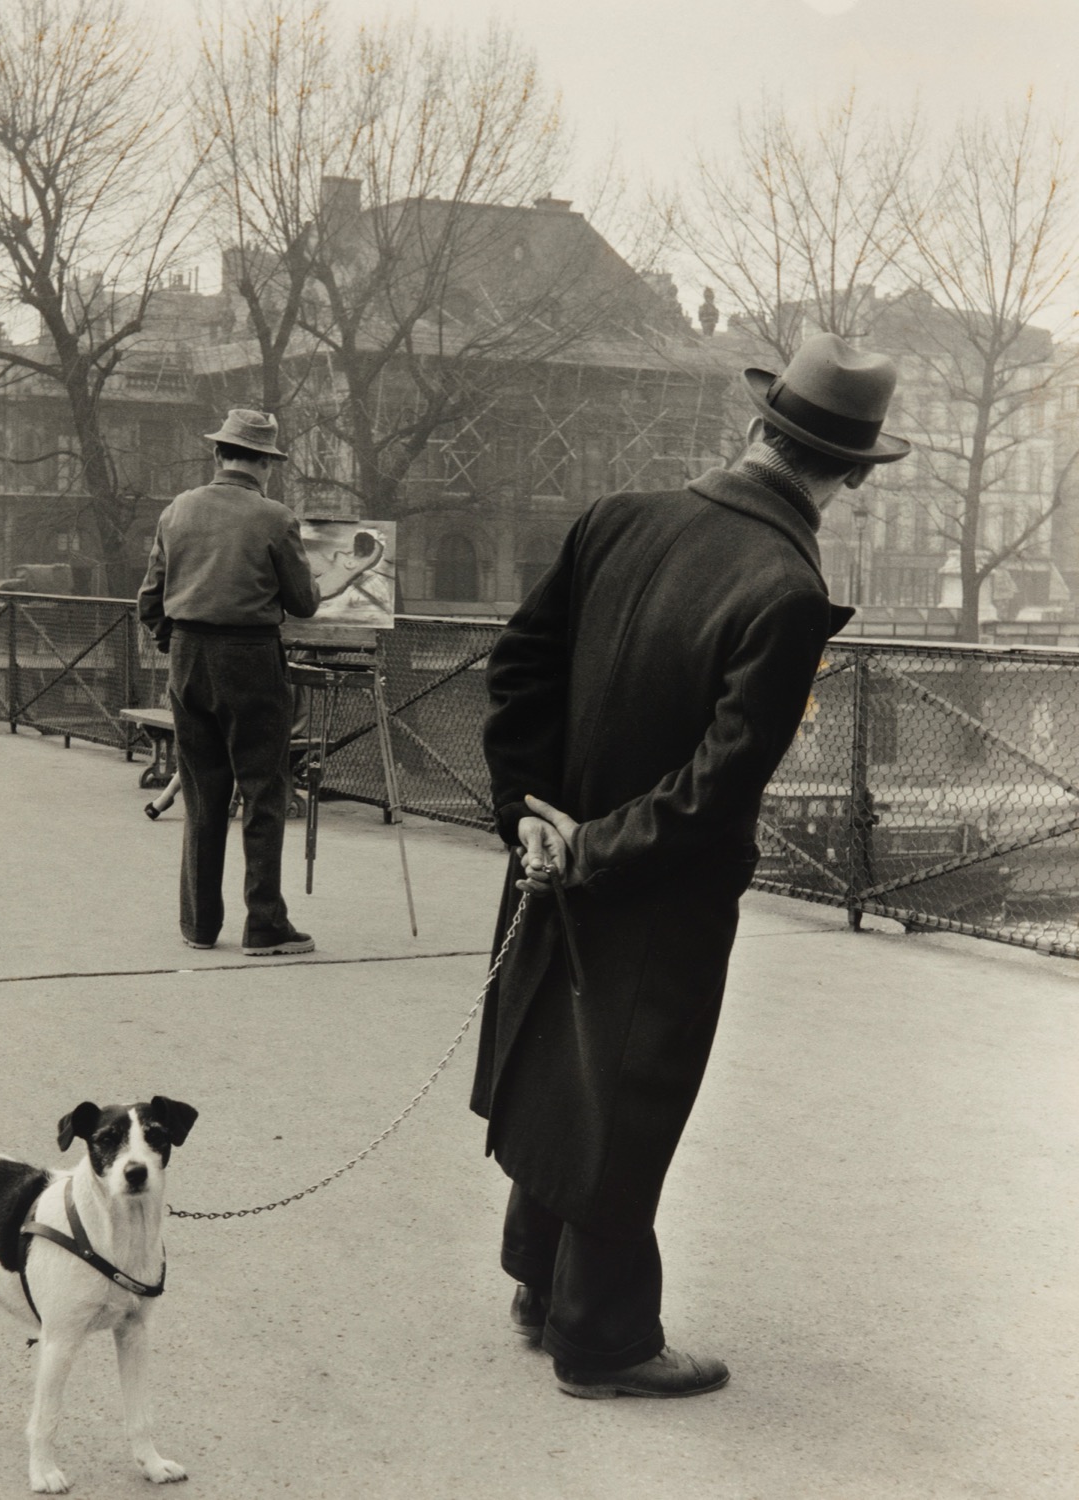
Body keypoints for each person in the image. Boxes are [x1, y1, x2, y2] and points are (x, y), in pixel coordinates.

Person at [474, 332, 910, 1399]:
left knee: (559, 1064)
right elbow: (717, 788)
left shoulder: (616, 516)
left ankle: (538, 1283)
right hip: (655, 888)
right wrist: (592, 850)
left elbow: (518, 665)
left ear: (758, 426)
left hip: (549, 852)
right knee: (632, 1099)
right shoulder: (785, 588)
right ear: (851, 476)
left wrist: (529, 815)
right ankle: (604, 1340)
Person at [138, 409, 321, 955]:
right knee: (263, 790)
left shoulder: (176, 510)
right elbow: (303, 603)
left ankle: (198, 924)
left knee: (201, 792)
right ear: (266, 463)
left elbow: (150, 599)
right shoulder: (275, 518)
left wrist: (176, 642)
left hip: (188, 657)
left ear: (218, 454)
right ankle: (264, 924)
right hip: (251, 659)